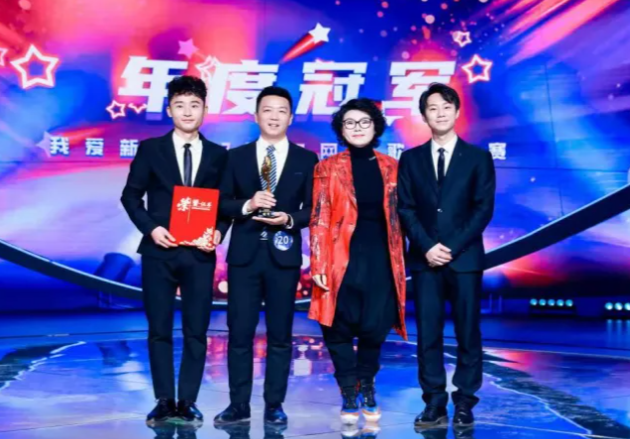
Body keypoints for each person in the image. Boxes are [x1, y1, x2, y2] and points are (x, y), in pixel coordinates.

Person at [121, 75, 229, 424]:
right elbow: (131, 196)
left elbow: (226, 203)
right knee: (159, 329)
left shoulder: (218, 154)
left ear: (205, 110)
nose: (187, 111)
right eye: (180, 105)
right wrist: (152, 228)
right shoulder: (151, 149)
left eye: (194, 105)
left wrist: (218, 231)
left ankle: (189, 400)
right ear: (169, 110)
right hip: (159, 252)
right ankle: (165, 399)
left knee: (197, 330)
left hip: (199, 254)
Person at [214, 86, 319, 427]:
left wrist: (288, 218)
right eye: (268, 110)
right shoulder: (236, 157)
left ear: (291, 117)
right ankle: (238, 405)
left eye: (281, 111)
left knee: (280, 336)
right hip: (244, 257)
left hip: (283, 258)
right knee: (239, 334)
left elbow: (313, 209)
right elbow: (221, 203)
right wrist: (248, 205)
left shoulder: (306, 160)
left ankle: (275, 404)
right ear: (256, 115)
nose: (274, 116)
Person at [397, 83, 496, 428]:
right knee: (428, 333)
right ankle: (434, 403)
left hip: (464, 259)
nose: (439, 113)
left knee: (468, 332)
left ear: (456, 112)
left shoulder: (478, 158)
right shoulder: (410, 159)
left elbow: (482, 210)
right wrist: (427, 246)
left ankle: (465, 402)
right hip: (425, 261)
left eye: (446, 107)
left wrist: (450, 247)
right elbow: (405, 208)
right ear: (424, 116)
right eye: (432, 108)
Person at [309, 98, 407, 424]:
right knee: (336, 326)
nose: (357, 128)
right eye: (350, 122)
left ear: (376, 126)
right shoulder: (327, 168)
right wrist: (319, 263)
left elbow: (404, 215)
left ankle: (367, 383)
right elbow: (319, 217)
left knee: (374, 327)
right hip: (340, 257)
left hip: (382, 258)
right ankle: (348, 389)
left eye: (364, 122)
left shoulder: (393, 167)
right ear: (341, 129)